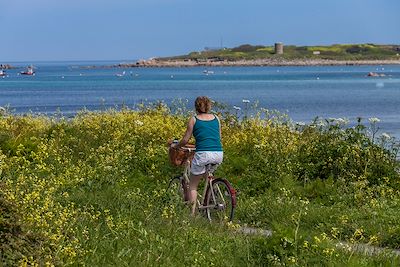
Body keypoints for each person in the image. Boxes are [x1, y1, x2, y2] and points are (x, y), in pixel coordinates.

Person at [171, 96, 223, 215]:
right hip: (218, 153)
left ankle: (192, 215)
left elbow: (185, 140)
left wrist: (176, 146)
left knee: (193, 185)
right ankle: (212, 190)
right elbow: (218, 138)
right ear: (209, 106)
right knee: (207, 174)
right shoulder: (216, 118)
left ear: (196, 107)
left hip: (203, 154)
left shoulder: (194, 119)